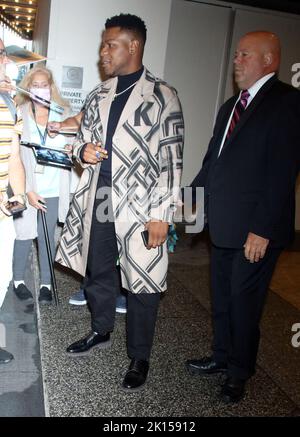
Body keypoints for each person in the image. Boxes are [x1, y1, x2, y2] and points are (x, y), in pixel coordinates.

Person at [56, 13, 184, 391]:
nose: (102, 52)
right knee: (98, 270)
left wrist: (162, 214)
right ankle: (100, 330)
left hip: (143, 206)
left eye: (110, 44)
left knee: (143, 283)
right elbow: (77, 144)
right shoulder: (99, 94)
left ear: (134, 46)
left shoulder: (163, 95)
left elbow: (172, 159)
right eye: (103, 44)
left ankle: (139, 355)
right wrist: (83, 149)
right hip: (99, 197)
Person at [185, 31, 300, 403]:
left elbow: (283, 172)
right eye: (236, 54)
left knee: (244, 304)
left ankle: (239, 372)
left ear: (269, 60)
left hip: (255, 231)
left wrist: (262, 230)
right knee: (221, 297)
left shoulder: (287, 103)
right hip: (224, 225)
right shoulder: (232, 105)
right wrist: (186, 199)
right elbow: (212, 163)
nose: (236, 61)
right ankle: (221, 357)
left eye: (244, 55)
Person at [48, 112, 128, 312]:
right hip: (100, 183)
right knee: (93, 241)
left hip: (129, 185)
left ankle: (123, 292)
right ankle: (89, 286)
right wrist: (60, 124)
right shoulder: (100, 93)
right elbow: (77, 120)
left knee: (122, 244)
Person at [12, 66, 71, 304]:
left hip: (53, 188)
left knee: (47, 237)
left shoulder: (63, 113)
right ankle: (18, 280)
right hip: (27, 185)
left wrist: (70, 147)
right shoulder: (20, 112)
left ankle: (46, 283)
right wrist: (26, 190)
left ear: (51, 87)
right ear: (28, 88)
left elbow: (75, 144)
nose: (40, 89)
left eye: (44, 85)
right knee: (24, 234)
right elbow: (13, 153)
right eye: (35, 85)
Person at [0, 38, 26, 364]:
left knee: (3, 278)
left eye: (2, 51)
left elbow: (15, 158)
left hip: (4, 213)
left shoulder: (10, 103)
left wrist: (18, 194)